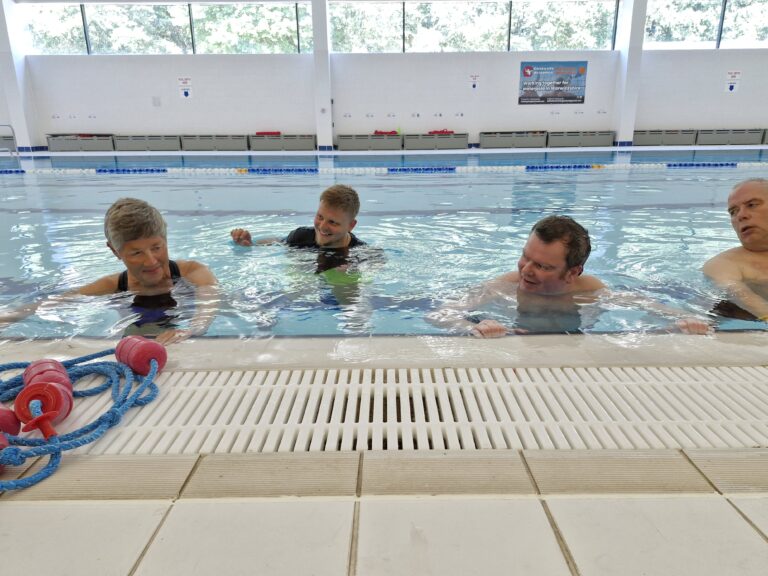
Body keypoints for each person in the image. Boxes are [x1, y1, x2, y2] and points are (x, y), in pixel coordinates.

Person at [429, 215, 710, 337]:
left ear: (573, 273)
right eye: (526, 257)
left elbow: (647, 305)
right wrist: (470, 325)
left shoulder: (590, 291)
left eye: (543, 266)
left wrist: (682, 319)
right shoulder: (504, 286)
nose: (526, 269)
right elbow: (440, 314)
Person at [0, 198, 218, 345]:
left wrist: (193, 329)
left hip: (183, 330)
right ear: (115, 251)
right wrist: (8, 317)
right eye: (136, 253)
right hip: (135, 333)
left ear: (166, 239)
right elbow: (56, 302)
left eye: (156, 248)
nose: (151, 261)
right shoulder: (112, 285)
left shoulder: (193, 272)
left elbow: (208, 303)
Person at [703, 178, 768, 322]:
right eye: (733, 212)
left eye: (752, 205)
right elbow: (735, 291)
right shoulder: (723, 264)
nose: (741, 215)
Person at [230, 184, 364, 252]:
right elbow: (278, 242)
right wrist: (249, 244)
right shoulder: (300, 237)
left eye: (333, 222)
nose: (322, 226)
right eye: (320, 216)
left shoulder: (361, 254)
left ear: (351, 225)